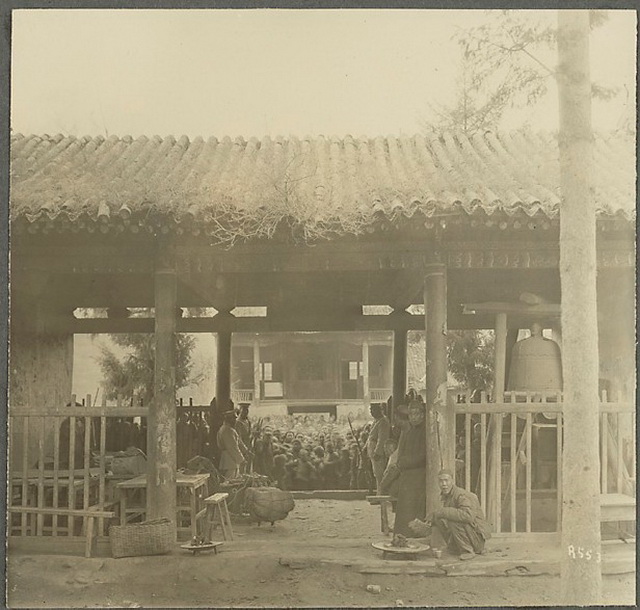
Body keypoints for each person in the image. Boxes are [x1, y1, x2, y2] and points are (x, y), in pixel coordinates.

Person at [409, 469, 491, 560]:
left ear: (452, 481)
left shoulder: (461, 495)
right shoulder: (447, 496)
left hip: (477, 540)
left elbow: (468, 516)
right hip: (469, 535)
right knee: (439, 518)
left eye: (446, 480)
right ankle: (455, 547)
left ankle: (467, 551)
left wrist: (442, 511)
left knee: (452, 519)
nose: (444, 484)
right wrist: (431, 521)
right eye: (441, 481)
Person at [393, 400, 427, 537]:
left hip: (418, 477)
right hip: (407, 476)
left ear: (422, 415)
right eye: (411, 414)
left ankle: (412, 537)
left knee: (412, 510)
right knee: (403, 510)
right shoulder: (409, 431)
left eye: (416, 414)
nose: (413, 417)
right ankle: (401, 537)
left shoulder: (425, 431)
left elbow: (424, 456)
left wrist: (405, 462)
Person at [216, 410, 248, 480]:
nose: (235, 420)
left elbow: (239, 442)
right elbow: (233, 448)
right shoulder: (227, 430)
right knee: (230, 481)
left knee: (233, 480)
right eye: (233, 419)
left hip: (231, 460)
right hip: (230, 460)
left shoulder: (227, 429)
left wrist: (246, 451)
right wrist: (241, 460)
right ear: (228, 419)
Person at [366, 403, 391, 494]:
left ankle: (381, 495)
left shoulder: (383, 421)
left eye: (374, 410)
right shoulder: (376, 421)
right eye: (371, 410)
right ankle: (379, 494)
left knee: (380, 475)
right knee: (376, 474)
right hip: (372, 451)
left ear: (379, 410)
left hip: (378, 453)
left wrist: (378, 452)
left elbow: (382, 438)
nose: (372, 412)